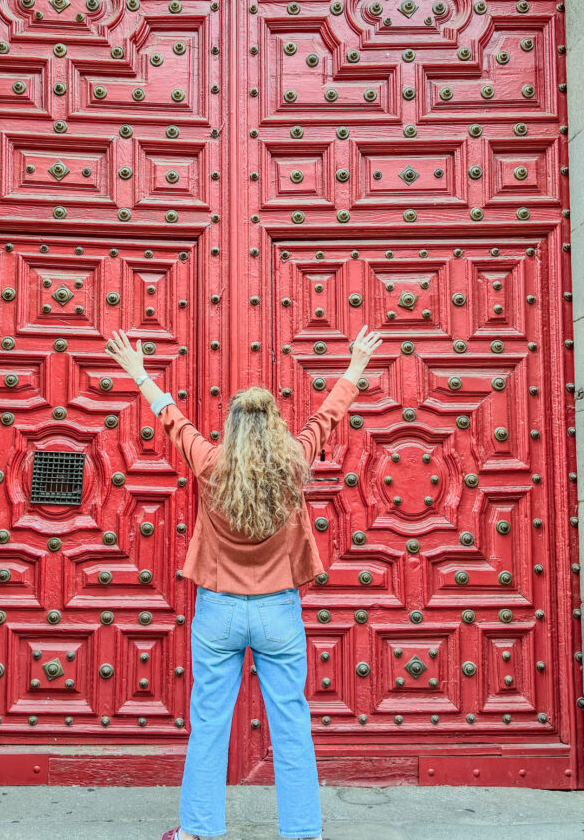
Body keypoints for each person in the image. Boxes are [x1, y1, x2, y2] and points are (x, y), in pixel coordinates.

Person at [106, 325, 383, 840]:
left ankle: (196, 832)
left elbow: (173, 419)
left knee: (209, 724)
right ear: (275, 426)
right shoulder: (295, 461)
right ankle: (303, 834)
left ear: (231, 428)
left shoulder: (210, 464)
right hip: (279, 610)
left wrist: (138, 370)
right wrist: (356, 365)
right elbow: (327, 417)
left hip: (219, 610)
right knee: (293, 725)